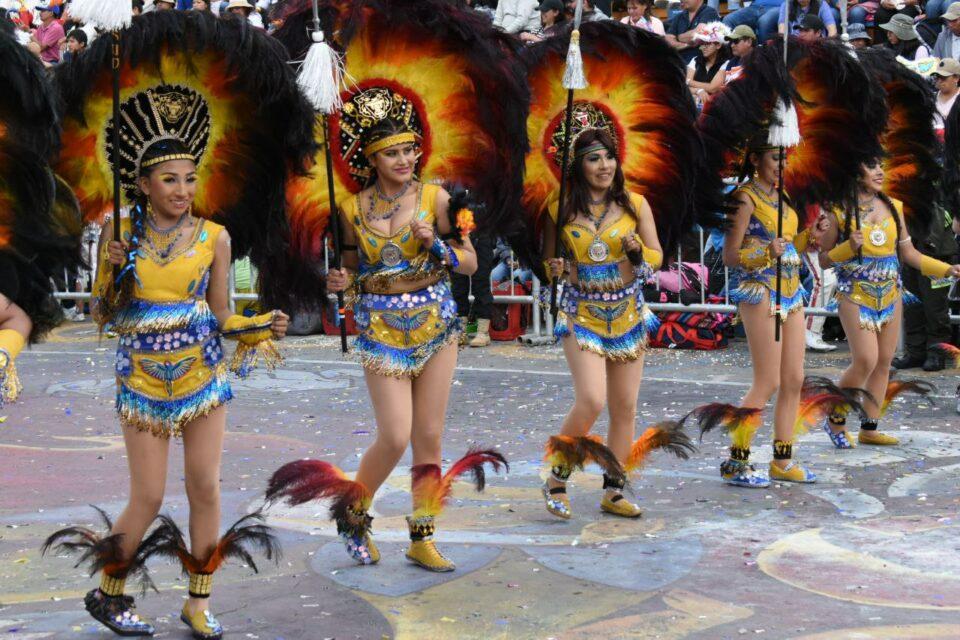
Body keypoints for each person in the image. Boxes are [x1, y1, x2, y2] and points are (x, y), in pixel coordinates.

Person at [39, 11, 325, 638]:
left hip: (202, 370)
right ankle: (110, 591)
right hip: (141, 373)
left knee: (204, 487)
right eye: (169, 180)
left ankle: (199, 600)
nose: (182, 189)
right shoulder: (118, 234)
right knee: (146, 494)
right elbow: (105, 315)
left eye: (190, 178)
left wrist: (257, 326)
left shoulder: (216, 237)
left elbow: (223, 314)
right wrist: (110, 273)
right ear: (141, 184)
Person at [269, 117, 508, 573]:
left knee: (429, 435)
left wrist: (435, 244)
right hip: (379, 326)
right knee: (396, 434)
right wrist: (341, 279)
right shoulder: (350, 209)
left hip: (436, 323)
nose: (403, 160)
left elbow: (471, 262)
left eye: (409, 150)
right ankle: (354, 510)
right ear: (371, 159)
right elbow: (352, 270)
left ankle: (422, 536)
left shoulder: (439, 198)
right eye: (391, 153)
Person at [541, 128, 694, 518]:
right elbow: (546, 262)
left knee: (624, 406)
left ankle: (614, 489)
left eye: (610, 157)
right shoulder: (557, 207)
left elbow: (657, 257)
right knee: (592, 398)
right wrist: (556, 268)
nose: (604, 166)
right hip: (581, 313)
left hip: (627, 312)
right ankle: (557, 477)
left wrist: (639, 252)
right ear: (579, 166)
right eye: (594, 158)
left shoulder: (636, 205)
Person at [819, 160, 960, 446]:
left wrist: (948, 269)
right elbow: (823, 259)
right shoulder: (838, 210)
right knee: (866, 359)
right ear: (856, 171)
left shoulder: (894, 206)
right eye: (871, 165)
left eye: (881, 164)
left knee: (883, 362)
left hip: (891, 293)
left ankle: (869, 428)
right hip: (855, 294)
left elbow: (909, 254)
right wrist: (848, 247)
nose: (880, 171)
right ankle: (835, 417)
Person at [686, 22, 731, 105]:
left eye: (707, 44)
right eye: (702, 44)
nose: (703, 47)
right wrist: (698, 91)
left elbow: (713, 88)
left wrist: (689, 82)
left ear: (718, 45)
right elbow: (685, 87)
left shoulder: (726, 63)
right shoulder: (695, 60)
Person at [667, 0, 721, 64]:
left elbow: (698, 35)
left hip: (701, 64)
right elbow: (668, 42)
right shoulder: (679, 17)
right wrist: (687, 45)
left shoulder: (709, 12)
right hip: (680, 64)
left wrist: (678, 37)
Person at [934, 58, 960, 138]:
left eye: (943, 77)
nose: (940, 81)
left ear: (956, 78)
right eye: (937, 77)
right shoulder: (930, 98)